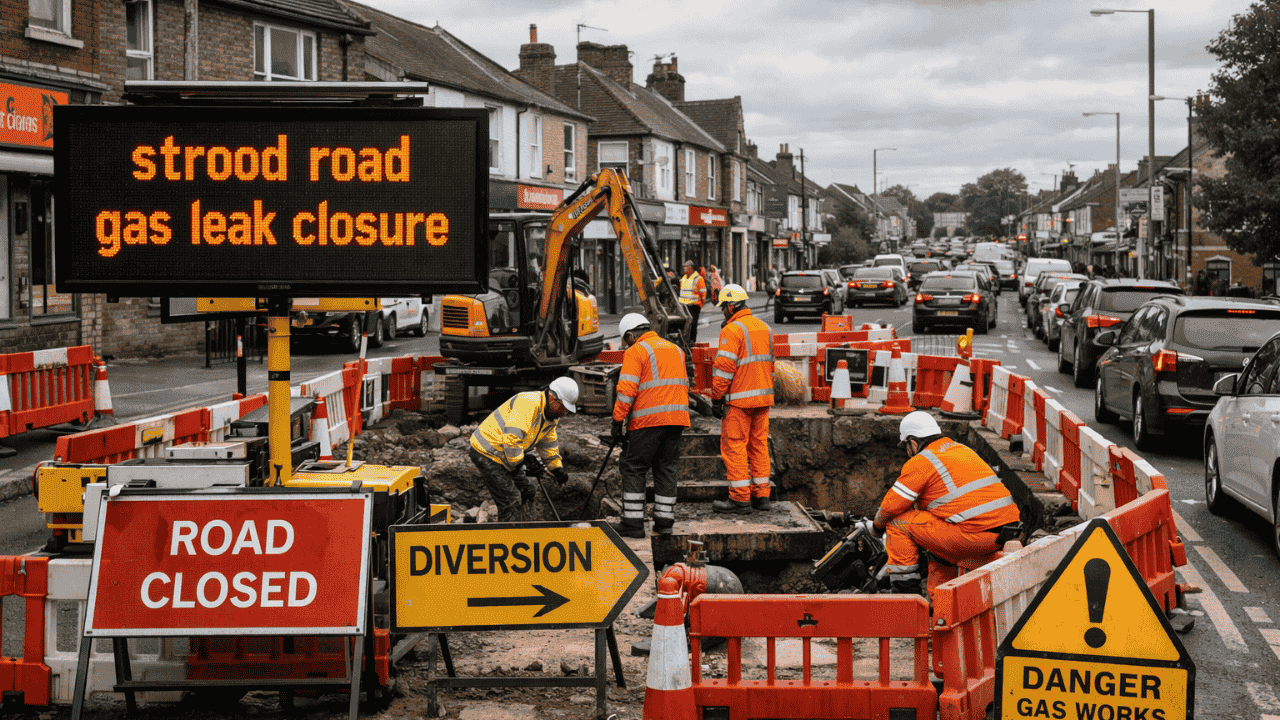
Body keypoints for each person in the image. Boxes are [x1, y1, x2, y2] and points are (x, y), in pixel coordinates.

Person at [868, 411, 1021, 595]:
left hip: (975, 535)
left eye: (906, 447)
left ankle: (906, 597)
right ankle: (940, 603)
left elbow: (891, 506)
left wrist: (876, 528)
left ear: (913, 443)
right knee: (936, 534)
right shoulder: (961, 449)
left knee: (897, 523)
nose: (907, 452)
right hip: (1007, 530)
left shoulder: (922, 461)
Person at [610, 313, 690, 538]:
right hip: (676, 420)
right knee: (666, 467)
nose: (627, 343)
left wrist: (617, 421)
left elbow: (626, 391)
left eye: (626, 339)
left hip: (648, 421)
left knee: (633, 466)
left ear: (630, 335)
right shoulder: (676, 350)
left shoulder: (636, 351)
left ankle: (633, 523)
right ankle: (664, 522)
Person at [469, 377, 578, 522]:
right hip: (487, 451)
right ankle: (506, 540)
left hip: (505, 455)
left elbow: (548, 443)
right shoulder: (528, 404)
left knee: (528, 491)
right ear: (552, 398)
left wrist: (556, 468)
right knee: (511, 500)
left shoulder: (550, 416)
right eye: (563, 407)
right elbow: (512, 440)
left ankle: (524, 530)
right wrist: (523, 464)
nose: (564, 413)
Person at [709, 284, 775, 515]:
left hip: (738, 401)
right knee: (758, 446)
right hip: (763, 398)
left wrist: (717, 399)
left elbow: (724, 370)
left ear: (730, 306)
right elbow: (770, 364)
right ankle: (762, 496)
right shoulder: (764, 328)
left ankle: (740, 499)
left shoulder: (732, 330)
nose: (722, 312)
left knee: (735, 447)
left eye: (723, 308)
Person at [678, 260, 707, 344]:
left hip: (694, 305)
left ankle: (692, 341)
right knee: (685, 324)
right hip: (684, 305)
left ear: (690, 268)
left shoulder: (698, 279)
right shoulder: (683, 278)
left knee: (693, 324)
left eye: (686, 267)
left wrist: (701, 303)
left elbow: (703, 292)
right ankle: (685, 340)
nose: (684, 268)